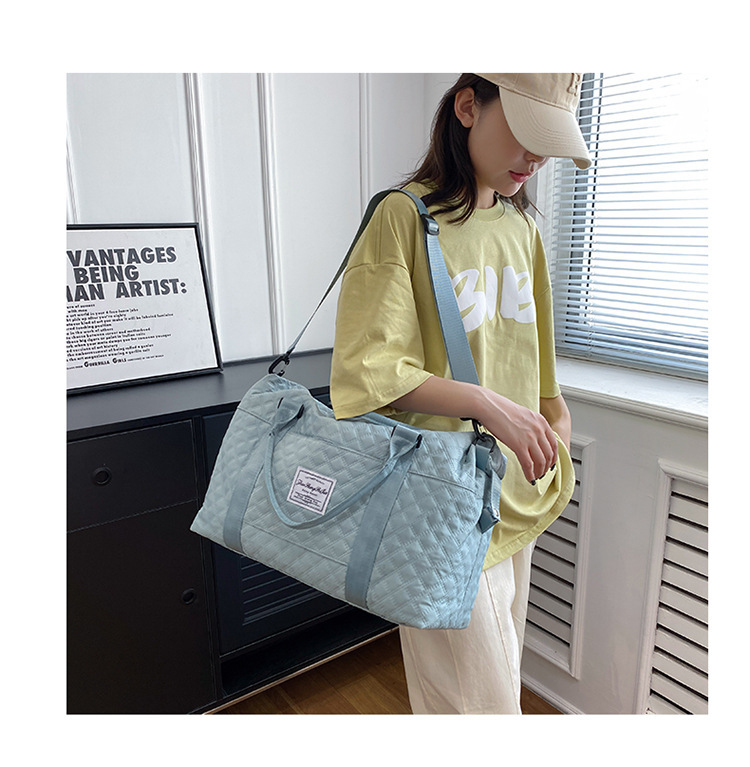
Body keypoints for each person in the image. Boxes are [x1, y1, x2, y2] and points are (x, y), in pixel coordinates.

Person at [330, 73, 591, 714]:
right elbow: (369, 372)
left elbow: (537, 365)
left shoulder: (522, 228)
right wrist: (488, 406)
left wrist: (555, 424)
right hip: (433, 503)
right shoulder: (402, 217)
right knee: (483, 710)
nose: (537, 157)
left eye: (549, 141)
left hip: (514, 491)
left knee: (477, 697)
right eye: (526, 131)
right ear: (469, 106)